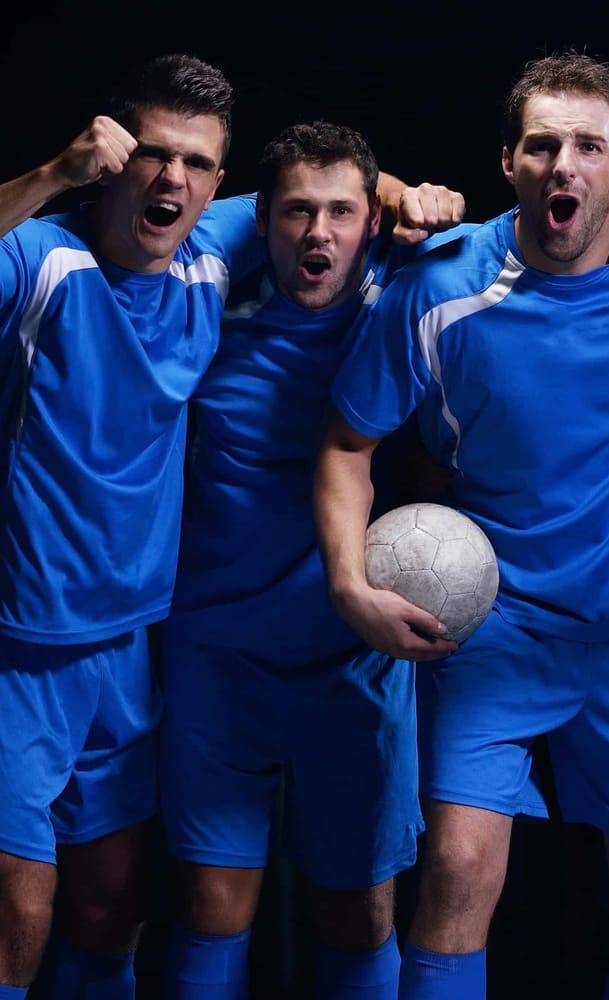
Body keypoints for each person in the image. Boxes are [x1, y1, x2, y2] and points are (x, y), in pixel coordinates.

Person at [313, 50, 609, 1000]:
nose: (562, 166)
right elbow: (345, 443)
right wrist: (348, 587)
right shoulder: (441, 286)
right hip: (489, 626)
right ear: (508, 163)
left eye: (588, 147)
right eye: (541, 146)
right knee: (456, 874)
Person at [152, 120, 472, 1000]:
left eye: (340, 212)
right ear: (263, 219)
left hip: (355, 656)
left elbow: (553, 236)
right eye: (296, 212)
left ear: (372, 222)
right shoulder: (208, 290)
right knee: (213, 905)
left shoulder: (406, 286)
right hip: (220, 652)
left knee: (358, 914)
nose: (316, 233)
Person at [0, 53, 268, 1000]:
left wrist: (404, 193)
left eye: (197, 164)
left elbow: (330, 189)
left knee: (112, 912)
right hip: (19, 649)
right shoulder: (41, 257)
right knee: (17, 915)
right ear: (112, 158)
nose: (173, 180)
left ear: (218, 183)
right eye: (154, 154)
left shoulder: (212, 253)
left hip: (128, 644)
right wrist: (51, 175)